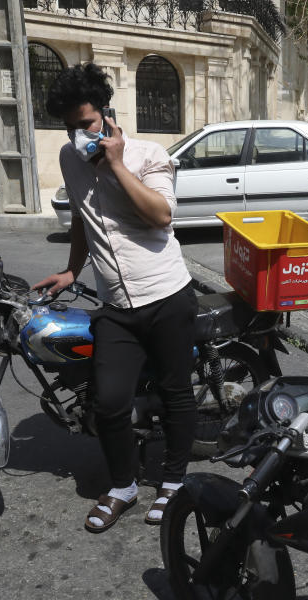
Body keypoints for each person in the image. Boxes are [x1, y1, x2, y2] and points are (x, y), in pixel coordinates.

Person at [32, 63, 197, 533]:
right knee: (108, 403)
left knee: (175, 393)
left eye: (84, 124)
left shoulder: (149, 154)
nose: (77, 135)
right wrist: (71, 269)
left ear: (105, 114)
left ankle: (172, 482)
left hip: (166, 295)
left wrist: (118, 164)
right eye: (69, 128)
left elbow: (161, 216)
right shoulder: (70, 159)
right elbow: (83, 219)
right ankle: (123, 485)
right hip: (117, 308)